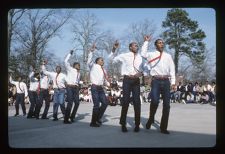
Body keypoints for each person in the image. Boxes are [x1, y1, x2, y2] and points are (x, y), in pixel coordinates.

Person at [141, 35, 175, 134]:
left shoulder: (168, 56)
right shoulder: (151, 54)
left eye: (162, 43)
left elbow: (172, 69)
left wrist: (173, 82)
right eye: (159, 43)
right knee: (155, 101)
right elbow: (143, 54)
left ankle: (163, 127)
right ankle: (151, 118)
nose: (162, 44)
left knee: (167, 105)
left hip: (166, 81)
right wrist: (146, 42)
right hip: (155, 80)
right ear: (156, 45)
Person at [109, 40, 144, 132]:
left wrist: (141, 73)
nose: (137, 47)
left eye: (137, 46)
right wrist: (114, 49)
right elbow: (112, 59)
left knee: (137, 102)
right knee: (125, 101)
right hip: (127, 80)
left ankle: (137, 124)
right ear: (130, 47)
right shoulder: (124, 55)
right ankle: (123, 124)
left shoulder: (141, 57)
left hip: (136, 80)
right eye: (135, 45)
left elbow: (146, 68)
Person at [87, 44, 110, 127]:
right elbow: (89, 61)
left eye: (103, 60)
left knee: (105, 103)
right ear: (97, 61)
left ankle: (98, 118)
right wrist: (91, 52)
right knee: (96, 105)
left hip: (101, 88)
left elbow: (104, 80)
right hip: (94, 87)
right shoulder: (93, 66)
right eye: (101, 60)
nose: (103, 61)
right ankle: (93, 122)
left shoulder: (104, 70)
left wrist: (108, 84)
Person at [63, 50, 81, 124]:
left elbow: (77, 81)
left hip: (76, 88)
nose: (79, 66)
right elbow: (65, 61)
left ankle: (72, 117)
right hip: (70, 87)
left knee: (77, 103)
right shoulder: (70, 69)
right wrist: (70, 54)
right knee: (70, 102)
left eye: (79, 65)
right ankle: (66, 119)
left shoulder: (79, 73)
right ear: (74, 66)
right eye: (77, 65)